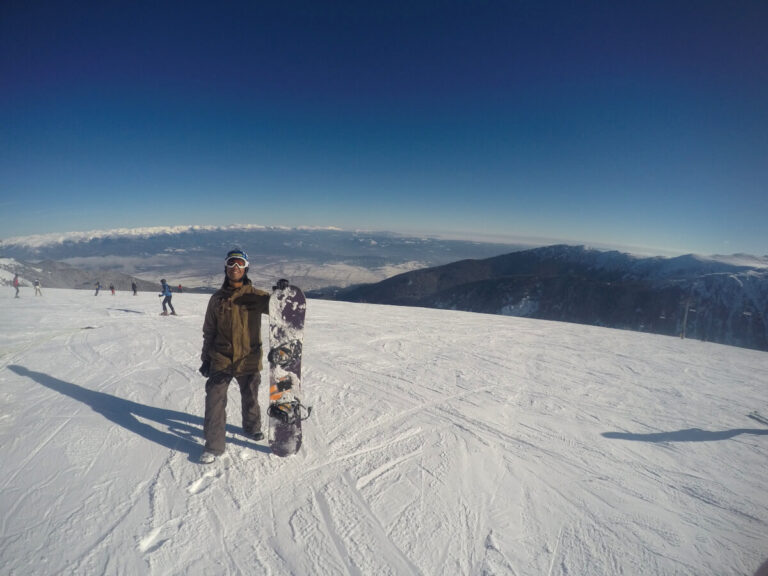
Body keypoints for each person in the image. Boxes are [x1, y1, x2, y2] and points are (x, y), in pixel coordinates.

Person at [198, 249, 271, 464]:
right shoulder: (217, 299)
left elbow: (277, 308)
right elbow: (209, 330)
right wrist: (205, 358)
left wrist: (282, 295)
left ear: (246, 268)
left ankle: (252, 427)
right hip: (221, 358)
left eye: (240, 263)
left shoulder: (256, 296)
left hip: (248, 356)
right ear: (225, 267)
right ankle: (213, 446)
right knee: (214, 400)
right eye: (232, 263)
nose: (236, 268)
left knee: (250, 395)